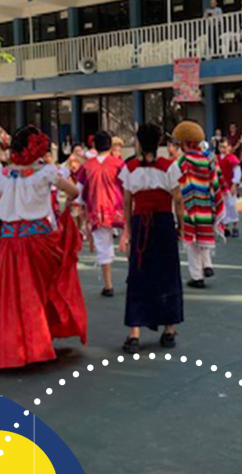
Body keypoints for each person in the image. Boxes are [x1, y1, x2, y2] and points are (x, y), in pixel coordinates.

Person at [0, 125, 87, 369]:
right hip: (39, 240)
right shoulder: (46, 172)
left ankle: (13, 348)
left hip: (10, 241)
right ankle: (36, 344)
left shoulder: (2, 173)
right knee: (41, 292)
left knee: (9, 296)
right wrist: (65, 208)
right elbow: (74, 191)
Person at [117, 123, 183, 353]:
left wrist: (128, 228)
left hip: (140, 223)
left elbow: (127, 202)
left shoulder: (130, 168)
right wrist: (180, 226)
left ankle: (134, 333)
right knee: (167, 273)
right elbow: (178, 200)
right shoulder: (169, 167)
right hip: (163, 222)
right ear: (159, 143)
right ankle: (169, 330)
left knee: (138, 273)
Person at [172, 121, 224, 289]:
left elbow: (174, 182)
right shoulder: (207, 158)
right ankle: (207, 264)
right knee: (205, 235)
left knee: (192, 242)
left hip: (190, 205)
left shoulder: (183, 161)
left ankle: (196, 276)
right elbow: (215, 181)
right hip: (206, 203)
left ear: (184, 143)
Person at [75, 130, 125, 297]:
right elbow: (128, 186)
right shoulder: (118, 164)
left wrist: (81, 208)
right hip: (119, 208)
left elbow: (79, 191)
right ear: (110, 146)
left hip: (98, 210)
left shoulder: (87, 166)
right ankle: (133, 277)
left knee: (104, 247)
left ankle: (108, 285)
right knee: (129, 241)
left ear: (94, 146)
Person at [217, 140, 242, 238]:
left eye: (224, 147)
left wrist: (234, 184)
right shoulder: (217, 158)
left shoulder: (232, 159)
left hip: (229, 185)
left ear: (229, 147)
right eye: (221, 147)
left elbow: (237, 172)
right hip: (221, 185)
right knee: (223, 207)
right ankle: (225, 226)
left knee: (231, 205)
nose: (222, 149)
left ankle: (235, 226)